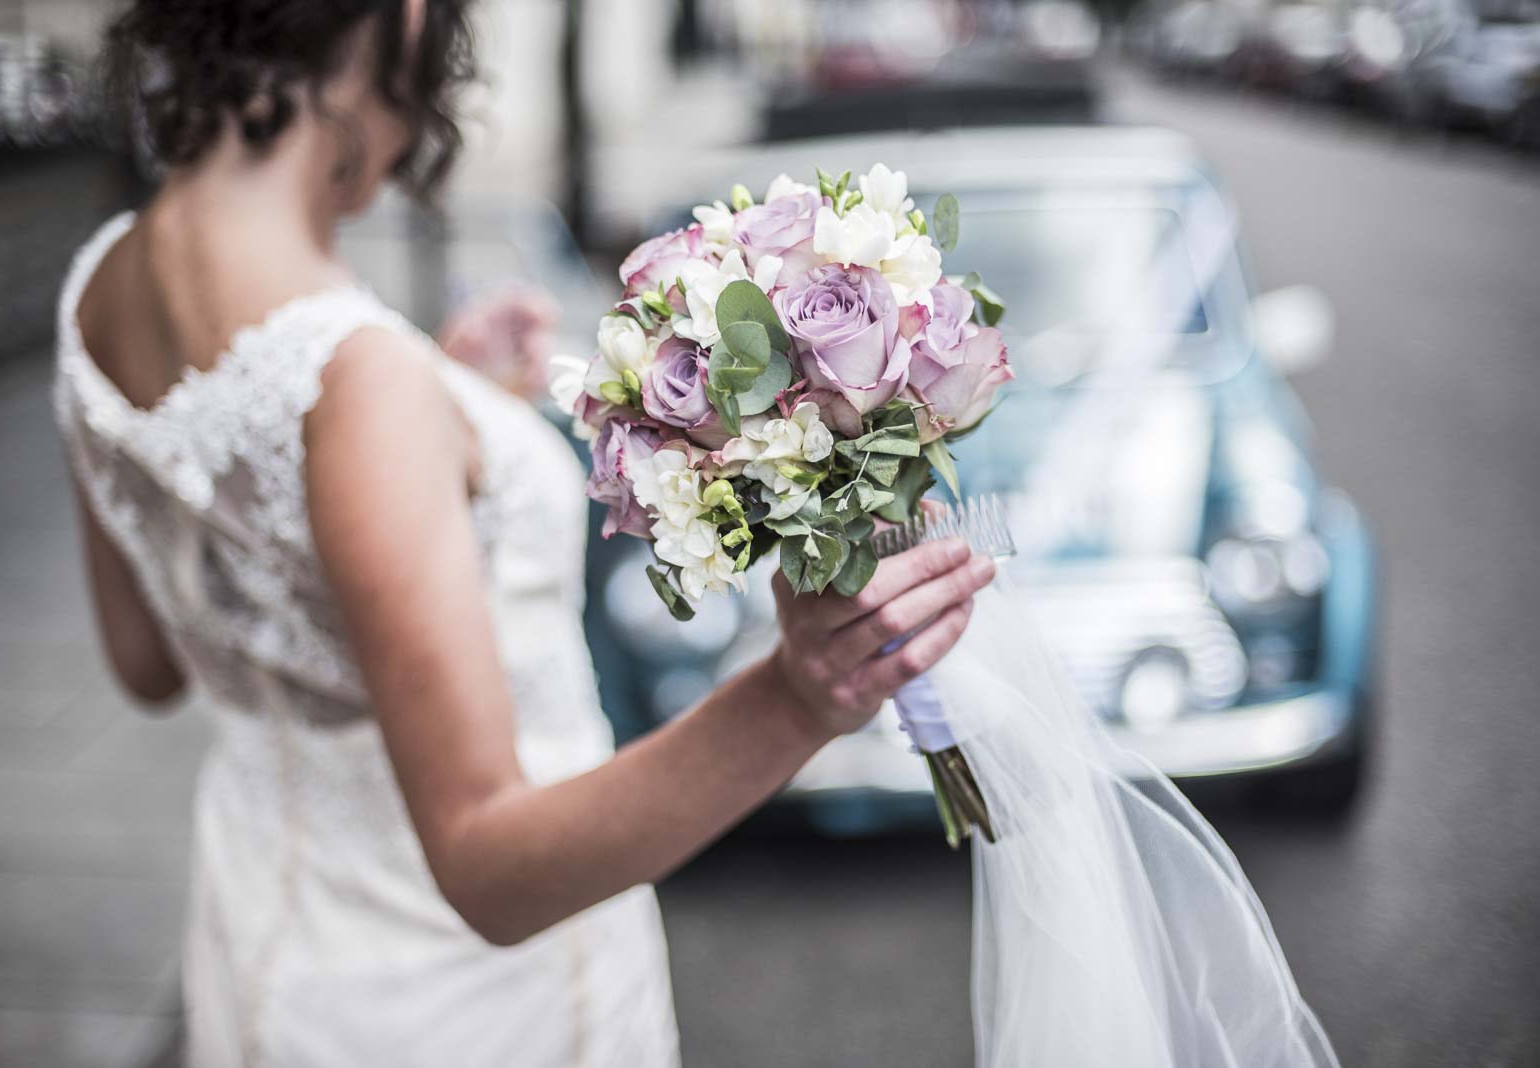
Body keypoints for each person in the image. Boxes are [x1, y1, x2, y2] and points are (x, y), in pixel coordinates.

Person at [54, 2, 994, 1064]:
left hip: (261, 942)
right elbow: (488, 868)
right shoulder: (362, 382)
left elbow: (149, 663)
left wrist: (441, 417)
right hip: (460, 1005)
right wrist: (797, 698)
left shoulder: (99, 283)